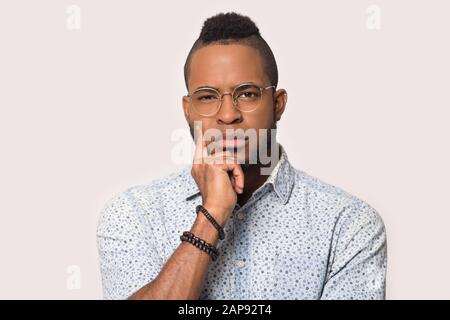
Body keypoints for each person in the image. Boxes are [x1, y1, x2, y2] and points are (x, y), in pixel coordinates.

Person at [97, 12, 387, 300]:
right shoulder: (132, 215)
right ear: (188, 110)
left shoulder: (348, 224)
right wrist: (210, 217)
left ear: (278, 104)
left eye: (247, 94)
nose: (228, 115)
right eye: (208, 97)